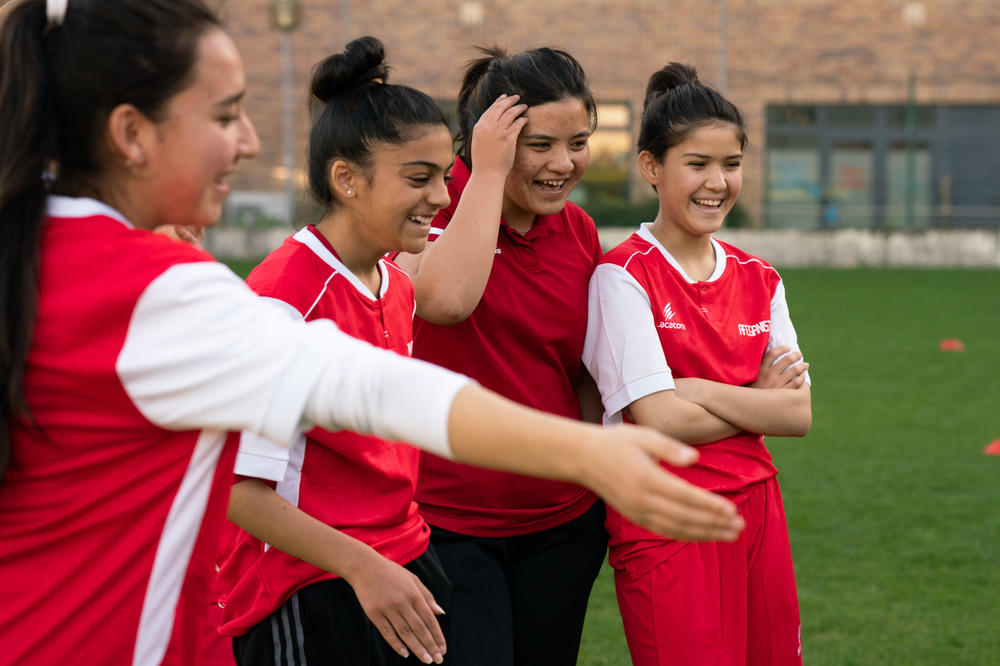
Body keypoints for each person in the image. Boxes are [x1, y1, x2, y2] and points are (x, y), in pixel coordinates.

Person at [0, 2, 744, 664]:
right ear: (131, 133)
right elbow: (362, 385)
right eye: (225, 115)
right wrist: (588, 449)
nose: (251, 142)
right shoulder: (157, 290)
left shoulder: (50, 257)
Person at [217, 36, 461, 666]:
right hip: (314, 588)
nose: (441, 197)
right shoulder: (281, 301)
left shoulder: (396, 283)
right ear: (347, 180)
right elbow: (241, 491)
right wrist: (363, 567)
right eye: (419, 178)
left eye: (444, 175)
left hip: (402, 561)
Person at [582, 62, 812, 666]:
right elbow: (660, 422)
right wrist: (751, 397)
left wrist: (698, 389)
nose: (718, 182)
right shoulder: (622, 275)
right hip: (665, 515)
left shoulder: (760, 278)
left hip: (757, 509)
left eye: (731, 165)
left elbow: (798, 413)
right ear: (651, 168)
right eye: (697, 164)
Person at [393, 46, 610, 666]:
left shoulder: (579, 231)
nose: (563, 165)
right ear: (489, 140)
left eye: (579, 142)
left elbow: (581, 372)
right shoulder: (430, 205)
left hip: (561, 523)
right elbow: (444, 301)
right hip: (447, 524)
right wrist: (485, 176)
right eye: (539, 145)